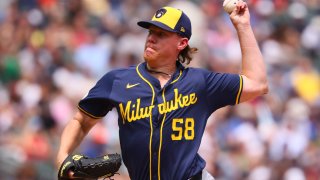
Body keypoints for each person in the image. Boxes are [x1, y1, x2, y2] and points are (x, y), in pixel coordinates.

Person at [56, 2, 268, 180]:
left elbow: (258, 84)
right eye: (150, 31)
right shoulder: (118, 80)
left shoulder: (200, 82)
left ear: (182, 43)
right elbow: (81, 121)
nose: (151, 37)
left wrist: (243, 26)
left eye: (161, 33)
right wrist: (62, 160)